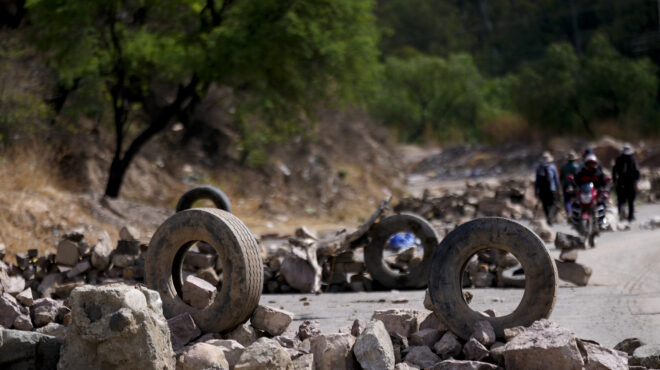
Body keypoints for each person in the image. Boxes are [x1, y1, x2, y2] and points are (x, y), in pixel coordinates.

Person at [612, 144, 640, 221]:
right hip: (631, 183)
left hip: (621, 183)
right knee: (631, 200)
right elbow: (637, 172)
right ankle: (630, 216)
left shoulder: (619, 159)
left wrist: (614, 181)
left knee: (621, 198)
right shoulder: (633, 160)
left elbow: (614, 171)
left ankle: (621, 209)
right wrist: (636, 181)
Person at [535, 151, 561, 225]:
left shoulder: (539, 167)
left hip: (542, 189)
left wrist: (536, 191)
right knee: (553, 203)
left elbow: (537, 180)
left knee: (545, 204)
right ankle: (550, 216)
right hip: (551, 188)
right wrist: (558, 189)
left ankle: (548, 217)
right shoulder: (552, 167)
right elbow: (556, 179)